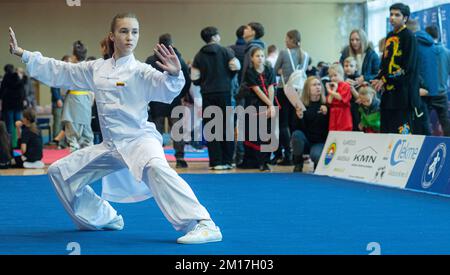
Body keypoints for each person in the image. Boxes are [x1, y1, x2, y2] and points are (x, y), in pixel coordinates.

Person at [8, 12, 222, 244]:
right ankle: (104, 217)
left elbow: (167, 90)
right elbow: (62, 70)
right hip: (110, 146)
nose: (130, 37)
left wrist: (174, 74)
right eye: (124, 31)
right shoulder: (96, 68)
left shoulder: (141, 71)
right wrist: (24, 54)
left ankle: (204, 224)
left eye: (135, 32)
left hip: (140, 140)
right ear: (112, 36)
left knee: (156, 167)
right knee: (58, 172)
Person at [191, 26, 240, 170]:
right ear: (215, 37)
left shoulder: (199, 56)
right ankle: (228, 160)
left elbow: (195, 78)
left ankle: (216, 161)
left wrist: (203, 82)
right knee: (227, 127)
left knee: (212, 128)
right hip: (224, 93)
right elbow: (236, 66)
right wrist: (228, 78)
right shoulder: (226, 51)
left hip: (208, 94)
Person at [371, 3, 423, 135]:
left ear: (405, 18)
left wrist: (385, 79)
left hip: (403, 95)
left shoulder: (409, 37)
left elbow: (407, 68)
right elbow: (384, 62)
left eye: (397, 15)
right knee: (386, 132)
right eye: (391, 14)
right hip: (388, 95)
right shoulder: (389, 36)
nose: (392, 18)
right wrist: (377, 79)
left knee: (402, 135)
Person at [146, 33, 191, 168]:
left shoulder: (150, 60)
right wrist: (181, 95)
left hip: (156, 101)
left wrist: (149, 97)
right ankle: (180, 158)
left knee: (156, 131)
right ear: (172, 43)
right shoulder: (179, 59)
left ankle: (157, 159)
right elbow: (187, 81)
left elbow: (145, 81)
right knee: (177, 131)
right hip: (174, 100)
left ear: (159, 44)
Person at [273, 29, 309, 166]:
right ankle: (297, 154)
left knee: (283, 123)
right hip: (299, 91)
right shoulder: (305, 55)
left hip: (284, 90)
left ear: (291, 39)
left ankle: (287, 155)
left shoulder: (283, 53)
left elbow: (274, 70)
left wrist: (281, 70)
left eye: (286, 38)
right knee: (296, 122)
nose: (285, 41)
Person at [238, 47, 277, 171]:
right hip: (255, 105)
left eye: (262, 56)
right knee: (256, 134)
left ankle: (265, 161)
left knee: (268, 133)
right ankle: (255, 161)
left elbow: (271, 87)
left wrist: (271, 105)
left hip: (269, 104)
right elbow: (257, 90)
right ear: (252, 58)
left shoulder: (270, 70)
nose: (260, 58)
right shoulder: (250, 72)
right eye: (257, 56)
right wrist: (269, 105)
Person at [60, 41, 94, 152]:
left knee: (72, 138)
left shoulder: (70, 69)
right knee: (87, 136)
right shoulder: (90, 68)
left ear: (74, 56)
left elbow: (63, 90)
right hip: (86, 102)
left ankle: (74, 163)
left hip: (72, 103)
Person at [291, 76, 329, 173]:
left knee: (316, 155)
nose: (318, 87)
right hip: (306, 140)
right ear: (307, 89)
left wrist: (327, 114)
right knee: (296, 135)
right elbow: (296, 129)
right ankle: (298, 163)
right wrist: (299, 118)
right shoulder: (301, 105)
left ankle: (318, 166)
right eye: (314, 85)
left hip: (319, 142)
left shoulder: (327, 104)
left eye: (319, 84)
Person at [425, 25, 450, 136]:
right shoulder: (447, 52)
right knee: (446, 123)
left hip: (427, 93)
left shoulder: (424, 52)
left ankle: (424, 148)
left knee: (424, 122)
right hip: (442, 93)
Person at [0, 64, 25, 149]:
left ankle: (9, 145)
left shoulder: (5, 79)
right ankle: (20, 143)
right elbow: (22, 92)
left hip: (8, 105)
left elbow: (1, 93)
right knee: (18, 125)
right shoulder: (18, 77)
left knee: (9, 127)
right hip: (18, 105)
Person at [326, 63, 352, 131]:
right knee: (334, 135)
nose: (333, 78)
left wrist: (330, 91)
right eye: (331, 76)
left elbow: (341, 98)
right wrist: (333, 89)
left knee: (344, 134)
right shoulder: (333, 87)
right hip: (334, 114)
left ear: (341, 74)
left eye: (335, 75)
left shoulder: (346, 86)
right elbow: (329, 101)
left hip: (343, 113)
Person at [343, 56, 362, 131]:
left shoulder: (358, 80)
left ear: (356, 68)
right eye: (346, 66)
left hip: (357, 109)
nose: (348, 68)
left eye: (351, 66)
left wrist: (351, 88)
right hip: (346, 109)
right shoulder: (343, 79)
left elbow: (360, 98)